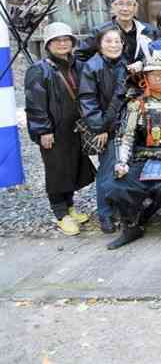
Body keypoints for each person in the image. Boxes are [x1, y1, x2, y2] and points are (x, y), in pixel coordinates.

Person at [105, 41, 161, 249]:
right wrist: (121, 162)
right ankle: (131, 226)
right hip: (142, 158)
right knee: (117, 184)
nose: (157, 78)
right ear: (145, 78)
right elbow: (124, 137)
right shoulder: (135, 104)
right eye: (152, 74)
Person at [25, 22, 95, 236]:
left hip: (74, 128)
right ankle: (60, 214)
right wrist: (42, 130)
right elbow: (34, 103)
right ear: (48, 44)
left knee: (72, 166)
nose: (62, 43)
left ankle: (70, 207)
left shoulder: (77, 65)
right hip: (53, 130)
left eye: (66, 39)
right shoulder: (39, 69)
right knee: (56, 170)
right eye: (57, 40)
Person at [78, 27, 128, 234]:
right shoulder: (93, 67)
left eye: (118, 41)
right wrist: (99, 127)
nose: (114, 45)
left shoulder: (124, 64)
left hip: (124, 125)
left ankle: (119, 209)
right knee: (107, 170)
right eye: (109, 41)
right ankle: (105, 214)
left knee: (122, 167)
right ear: (99, 44)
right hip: (105, 127)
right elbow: (87, 100)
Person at [76, 0, 160, 63]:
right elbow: (80, 56)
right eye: (120, 4)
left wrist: (142, 63)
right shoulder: (100, 31)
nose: (125, 9)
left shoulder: (150, 31)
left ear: (136, 7)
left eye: (129, 4)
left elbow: (159, 54)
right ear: (113, 6)